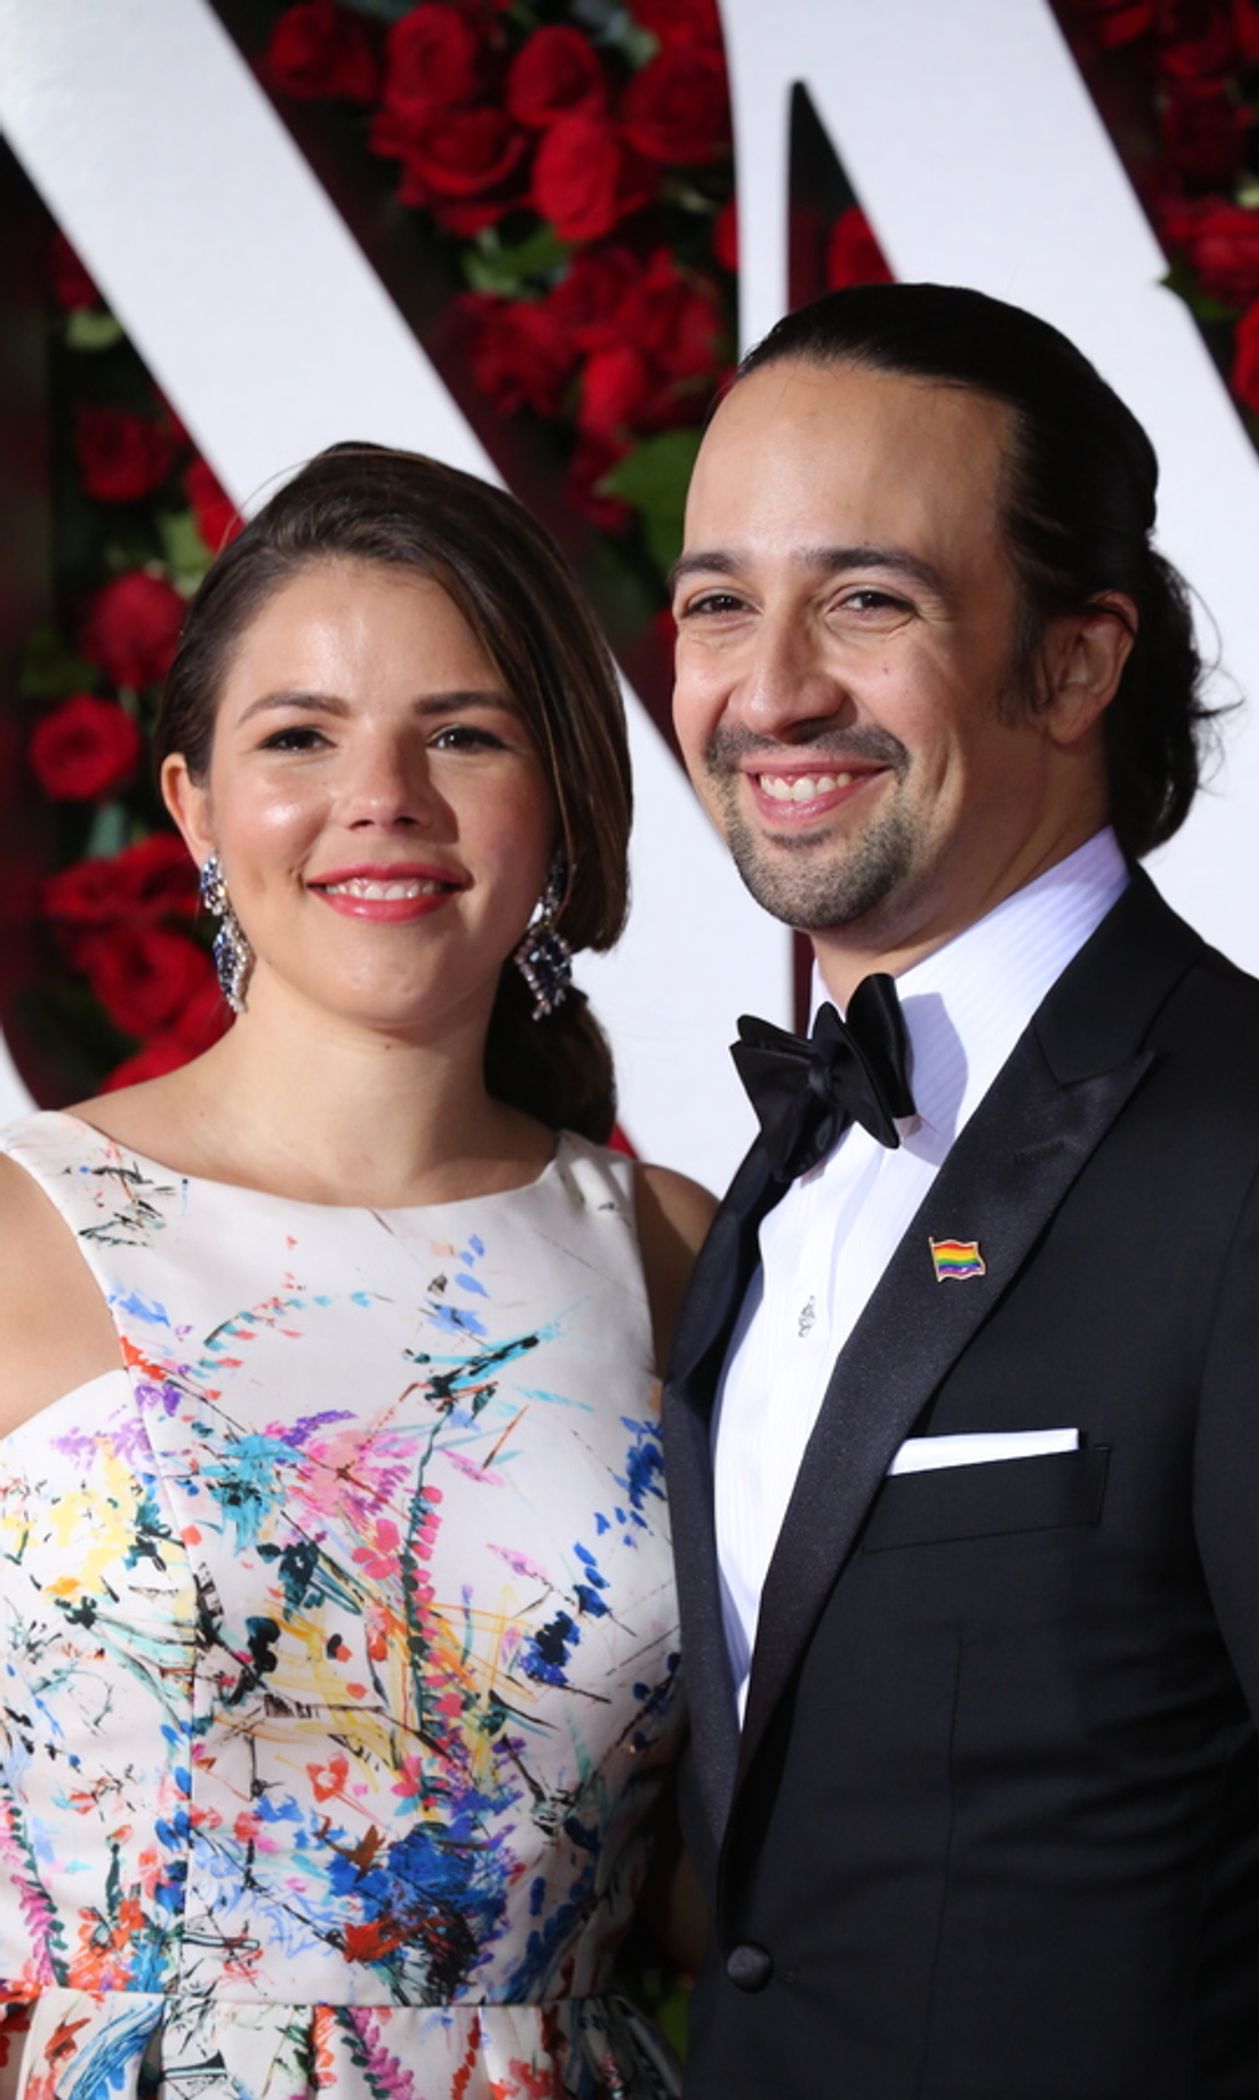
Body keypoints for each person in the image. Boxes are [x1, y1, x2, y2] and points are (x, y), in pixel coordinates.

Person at [662, 284, 1259, 2097]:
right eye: (717, 605)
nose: (771, 689)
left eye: (867, 600)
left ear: (1076, 664)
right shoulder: (762, 1182)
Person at [0, 443, 713, 2100]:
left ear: (561, 796)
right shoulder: (21, 1225)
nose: (381, 794)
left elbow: (745, 1874)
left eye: (462, 733)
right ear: (193, 804)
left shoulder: (674, 1252)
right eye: (299, 737)